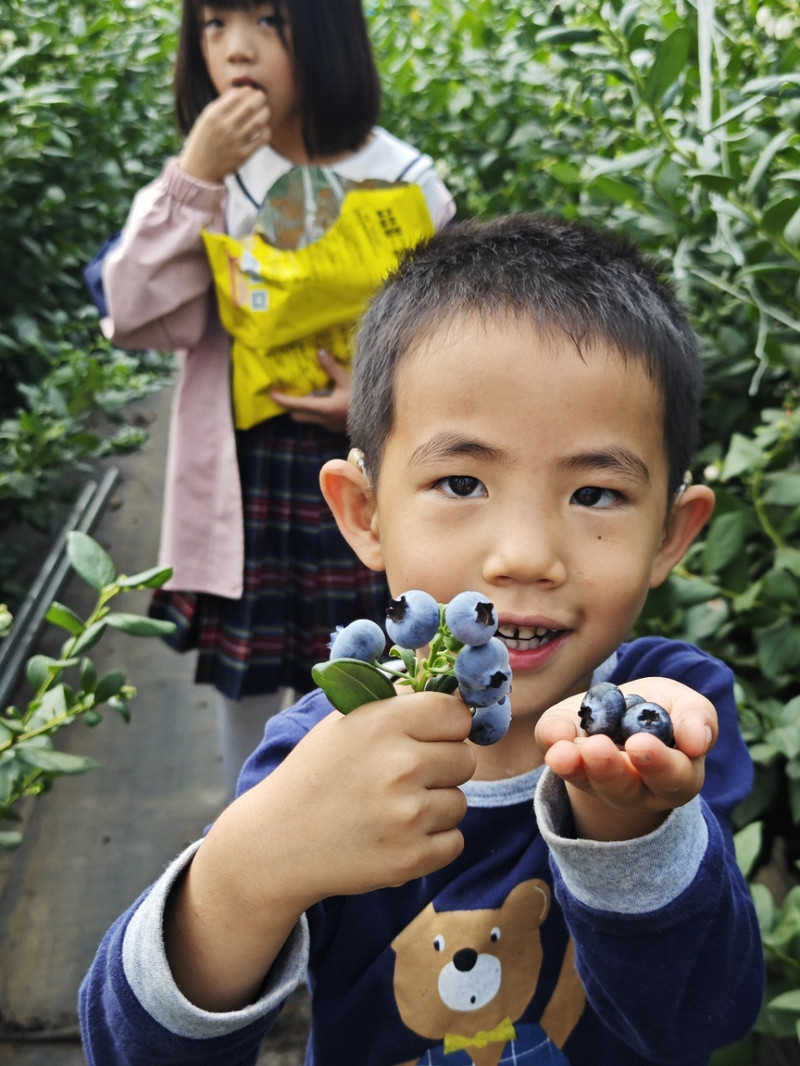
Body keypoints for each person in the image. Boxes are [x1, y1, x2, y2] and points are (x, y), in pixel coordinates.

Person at [80, 214, 763, 1065]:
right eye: (462, 481)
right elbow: (129, 1049)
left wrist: (634, 835)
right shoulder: (327, 751)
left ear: (672, 531)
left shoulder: (678, 710)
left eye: (595, 495)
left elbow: (705, 1019)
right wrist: (246, 872)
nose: (524, 556)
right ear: (363, 513)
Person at [100, 0, 456, 796]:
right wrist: (193, 173)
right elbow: (131, 313)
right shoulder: (211, 182)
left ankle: (368, 869)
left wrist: (368, 406)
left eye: (268, 21)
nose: (238, 48)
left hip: (370, 477)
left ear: (327, 32)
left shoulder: (404, 179)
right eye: (215, 24)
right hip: (252, 477)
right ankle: (254, 859)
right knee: (253, 697)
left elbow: (450, 350)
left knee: (375, 680)